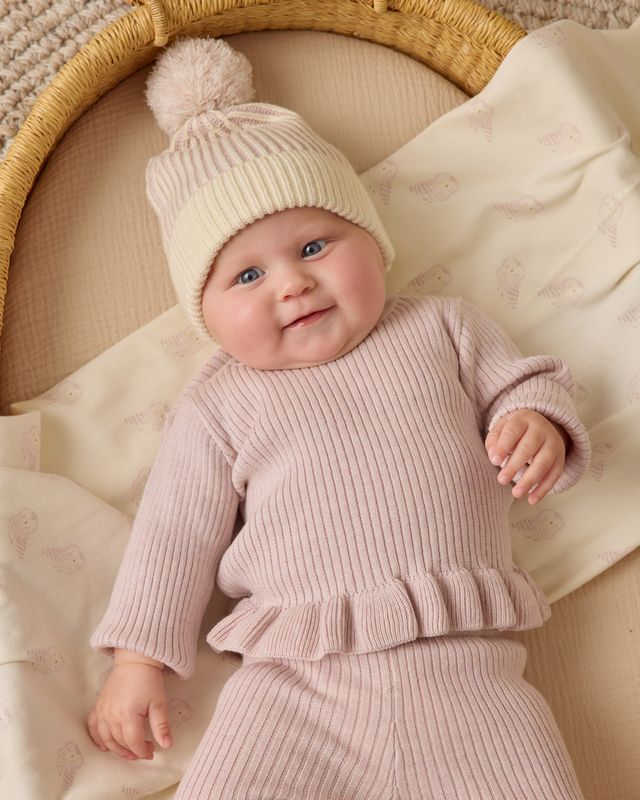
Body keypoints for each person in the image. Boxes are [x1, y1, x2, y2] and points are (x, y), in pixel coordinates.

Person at [88, 37, 591, 799]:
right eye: (247, 275)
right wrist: (137, 662)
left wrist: (537, 422)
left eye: (316, 245)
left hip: (467, 674)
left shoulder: (441, 329)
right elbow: (174, 533)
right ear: (206, 314)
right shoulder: (219, 403)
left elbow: (528, 383)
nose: (291, 283)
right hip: (294, 688)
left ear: (374, 244)